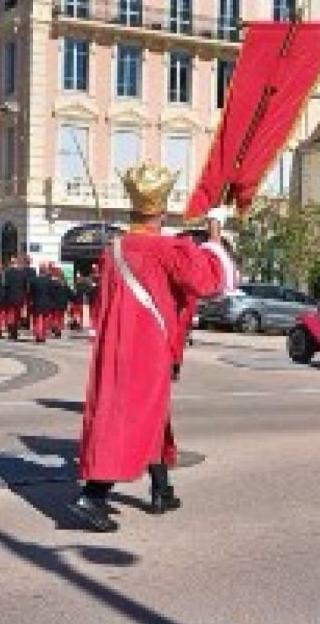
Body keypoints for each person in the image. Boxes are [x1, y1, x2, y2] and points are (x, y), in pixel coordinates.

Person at [69, 162, 238, 533]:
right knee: (130, 418)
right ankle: (94, 496)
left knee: (150, 414)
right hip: (148, 347)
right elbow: (209, 283)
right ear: (161, 211)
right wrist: (214, 235)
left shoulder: (114, 247)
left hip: (117, 344)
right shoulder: (169, 248)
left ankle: (162, 488)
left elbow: (100, 306)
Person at [0, 254, 32, 340]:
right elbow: (26, 286)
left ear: (11, 263)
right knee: (17, 315)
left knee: (11, 315)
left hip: (10, 297)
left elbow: (5, 286)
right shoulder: (22, 273)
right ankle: (15, 331)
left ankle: (11, 331)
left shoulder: (7, 273)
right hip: (19, 297)